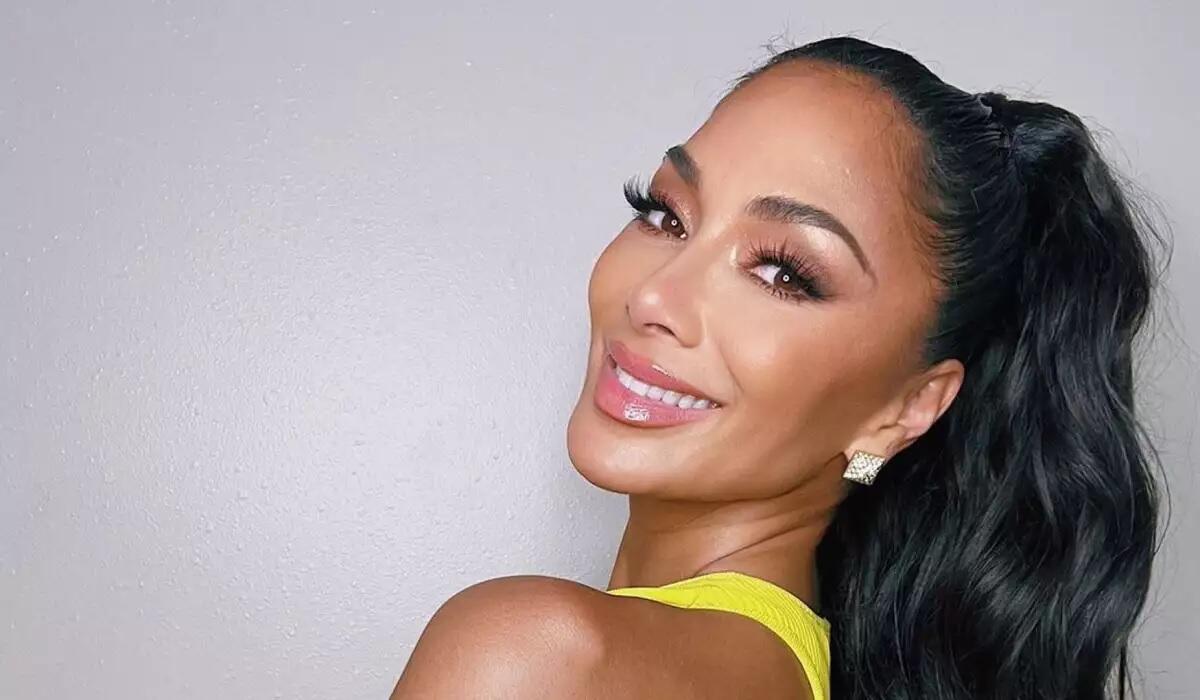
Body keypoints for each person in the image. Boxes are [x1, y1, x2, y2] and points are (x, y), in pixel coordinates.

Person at [390, 36, 1166, 699]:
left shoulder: (538, 658)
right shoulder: (789, 670)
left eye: (783, 273)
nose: (654, 296)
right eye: (665, 214)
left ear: (905, 410)